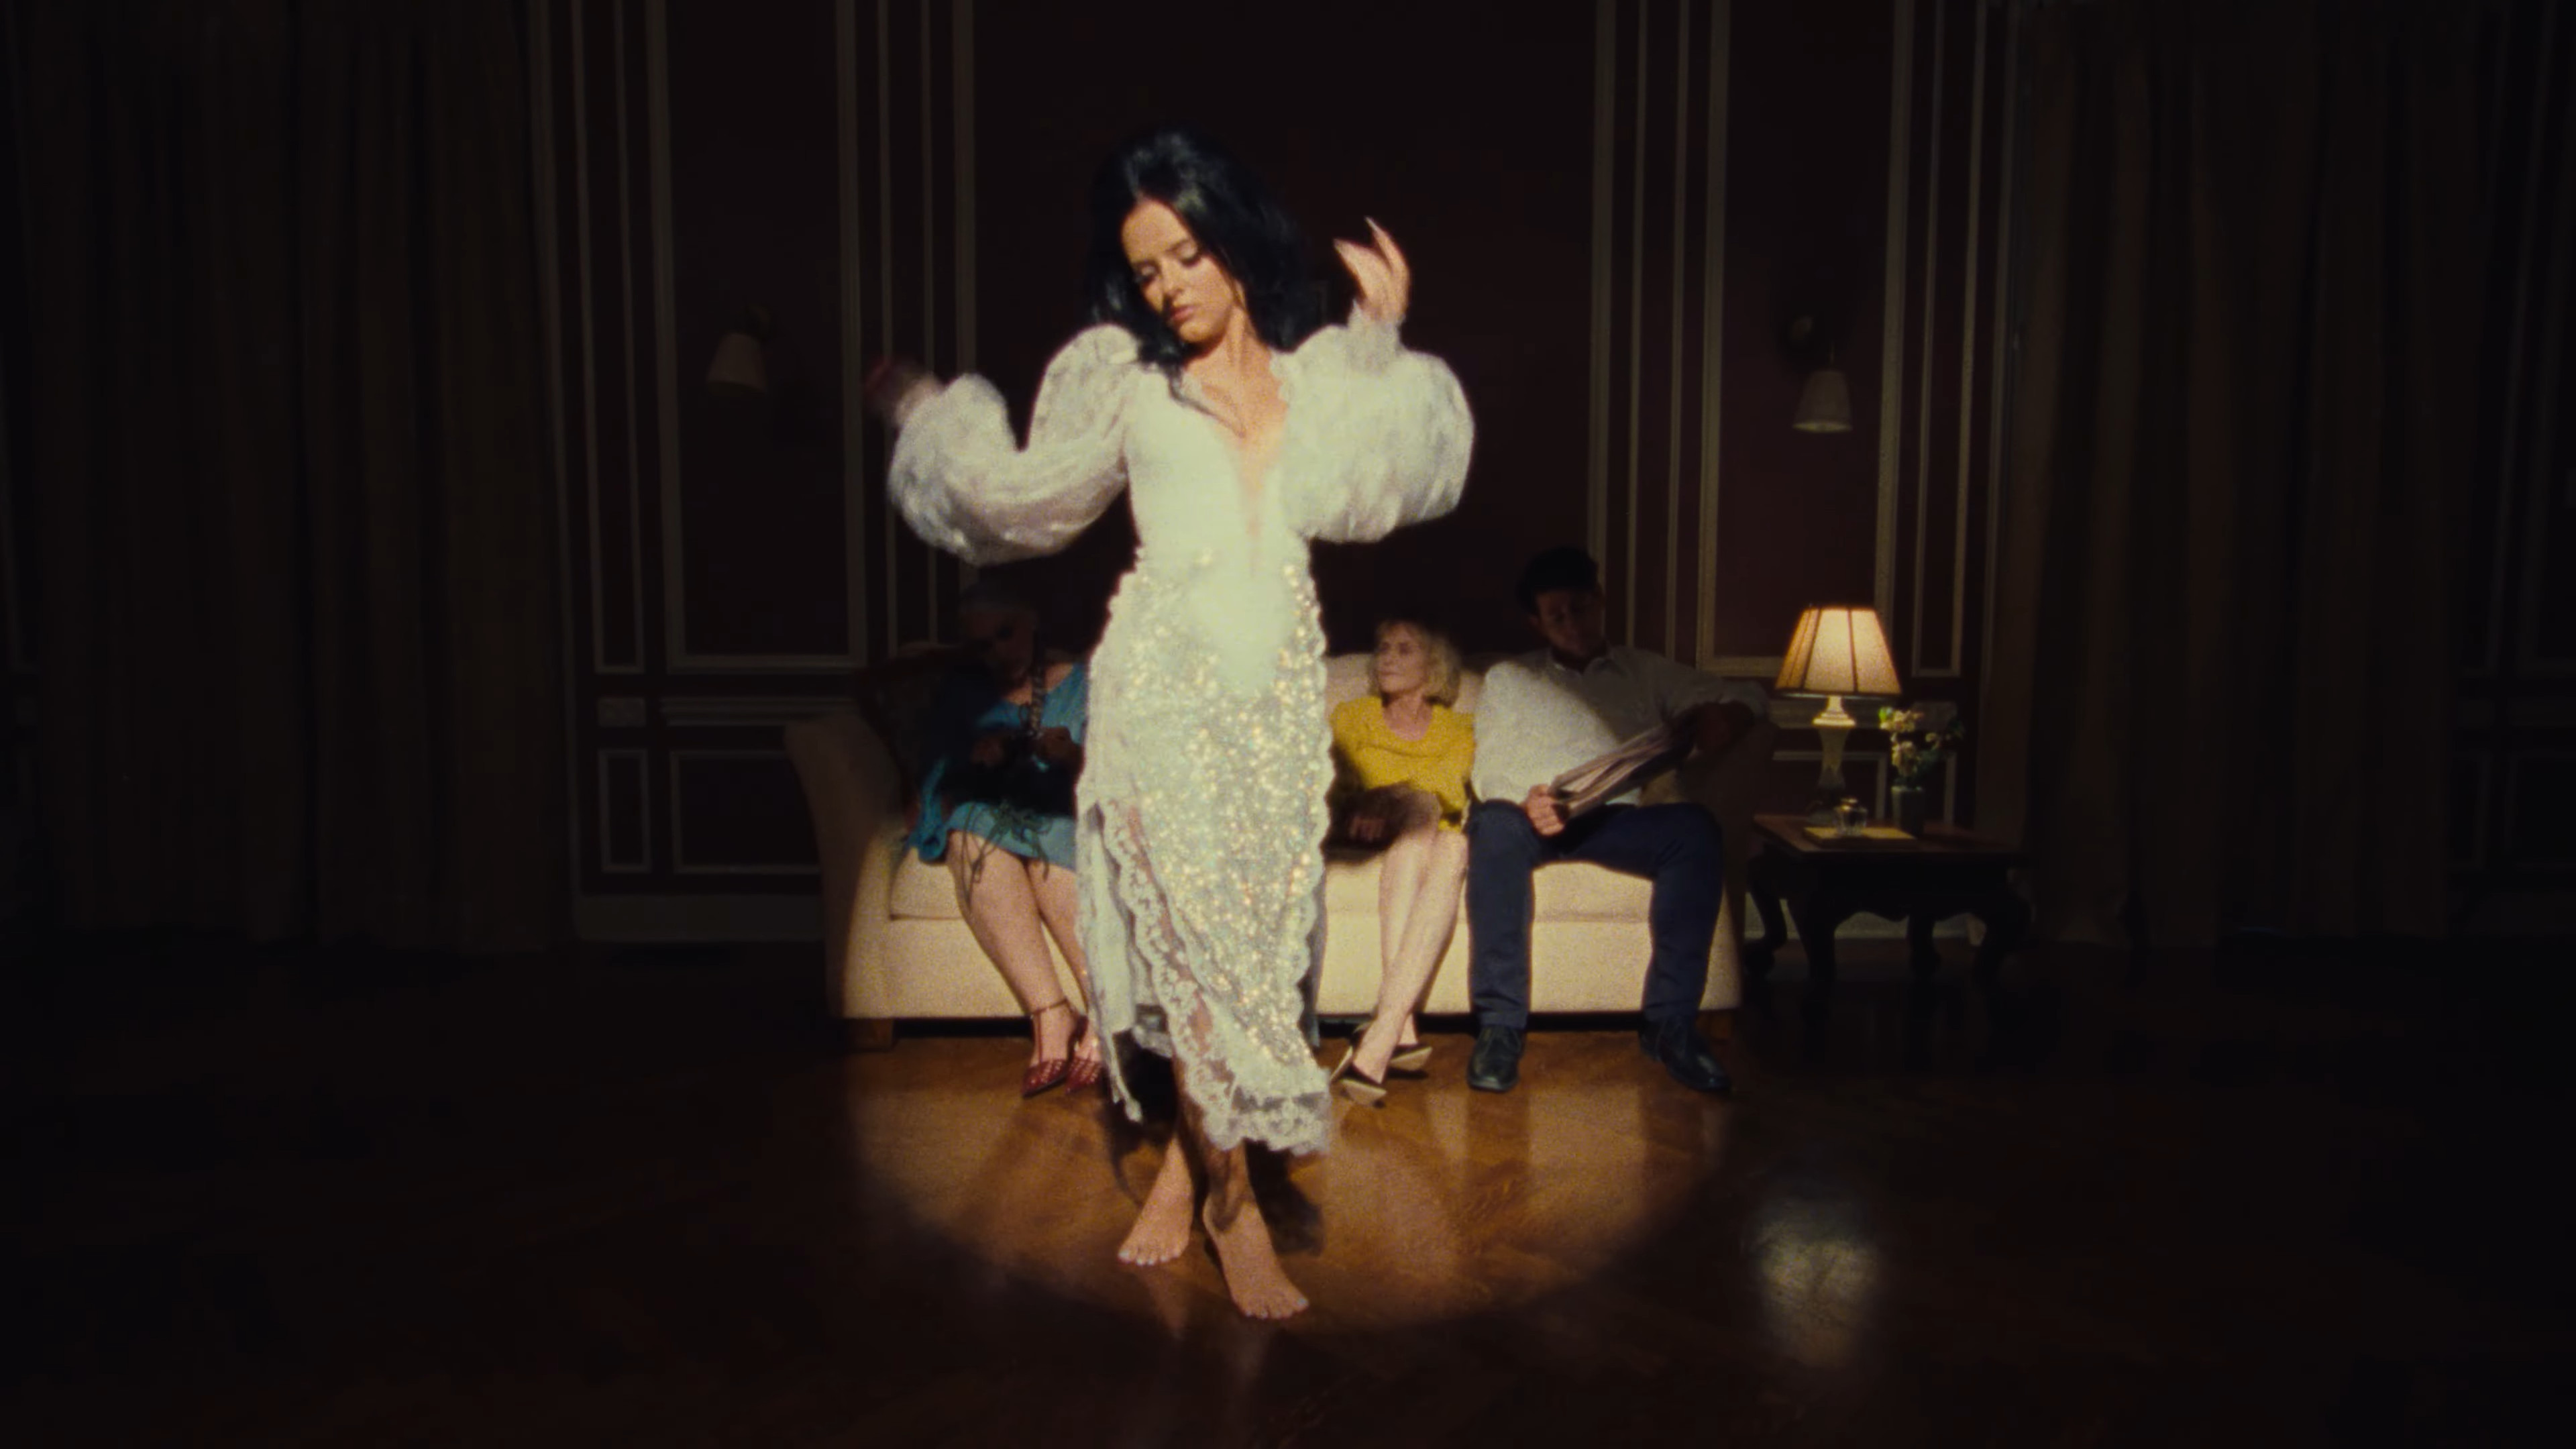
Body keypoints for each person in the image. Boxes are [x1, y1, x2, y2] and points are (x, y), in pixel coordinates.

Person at [865, 124, 1472, 1318]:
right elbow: (1017, 502)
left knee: (1245, 966)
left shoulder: (1307, 384)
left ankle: (1186, 1173)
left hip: (1273, 713)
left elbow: (1373, 487)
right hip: (1159, 704)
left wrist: (1381, 332)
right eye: (1146, 270)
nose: (1168, 287)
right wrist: (927, 412)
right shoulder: (1129, 385)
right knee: (1191, 967)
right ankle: (1233, 1215)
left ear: (1233, 244)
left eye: (1187, 256)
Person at [1463, 546, 1767, 1095]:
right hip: (1532, 818)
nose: (1573, 624)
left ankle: (1671, 1025)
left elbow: (1746, 691)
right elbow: (1492, 763)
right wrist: (1526, 800)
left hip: (1615, 819)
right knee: (1490, 825)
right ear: (1537, 623)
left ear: (1600, 601)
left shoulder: (1644, 670)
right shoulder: (1511, 677)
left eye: (1581, 609)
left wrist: (1729, 715)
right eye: (1557, 616)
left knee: (1694, 830)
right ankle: (1500, 1027)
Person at [902, 582, 1103, 1097]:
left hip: (1067, 810)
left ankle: (1105, 1013)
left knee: (1052, 836)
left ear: (1032, 623)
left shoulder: (1083, 680)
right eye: (981, 644)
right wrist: (973, 760)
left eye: (1006, 634)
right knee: (969, 828)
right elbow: (938, 775)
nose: (997, 652)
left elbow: (1121, 775)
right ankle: (1050, 1013)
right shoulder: (964, 691)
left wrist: (1073, 758)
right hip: (994, 809)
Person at [1325, 619, 1472, 1106]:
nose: (1387, 657)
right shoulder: (1353, 716)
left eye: (1405, 649)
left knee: (1450, 844)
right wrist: (1376, 801)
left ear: (1434, 666)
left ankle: (1388, 1031)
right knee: (1422, 809)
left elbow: (1451, 791)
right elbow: (1335, 783)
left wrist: (1399, 795)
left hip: (1421, 835)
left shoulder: (1458, 729)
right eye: (1384, 648)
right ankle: (1394, 1027)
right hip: (1360, 830)